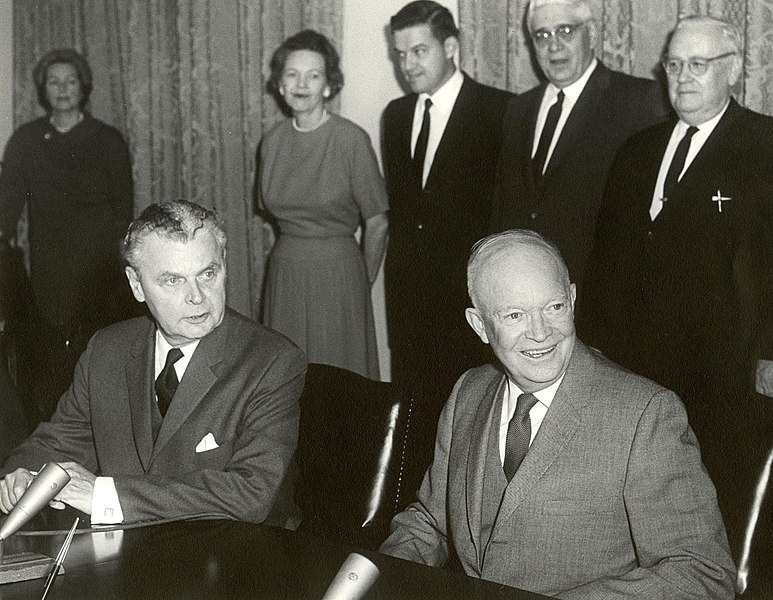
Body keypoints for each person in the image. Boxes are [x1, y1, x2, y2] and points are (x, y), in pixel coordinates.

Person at [379, 229, 736, 598]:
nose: (540, 333)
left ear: (573, 299)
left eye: (554, 307)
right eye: (515, 315)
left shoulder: (645, 413)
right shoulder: (469, 392)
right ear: (480, 325)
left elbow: (702, 572)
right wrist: (372, 579)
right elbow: (431, 522)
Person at [583, 15, 773, 556]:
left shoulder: (764, 144)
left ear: (733, 69)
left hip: (723, 368)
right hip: (636, 363)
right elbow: (607, 257)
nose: (683, 77)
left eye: (699, 64)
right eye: (673, 65)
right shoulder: (638, 148)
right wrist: (593, 344)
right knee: (638, 499)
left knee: (713, 505)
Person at [0, 201, 306, 527]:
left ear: (224, 266)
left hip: (240, 559)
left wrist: (104, 495)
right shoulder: (107, 350)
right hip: (130, 558)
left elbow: (251, 493)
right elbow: (54, 445)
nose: (197, 297)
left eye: (207, 273)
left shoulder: (272, 361)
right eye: (173, 280)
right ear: (136, 285)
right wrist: (19, 478)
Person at [382, 1, 511, 480]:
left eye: (419, 50)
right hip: (411, 300)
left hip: (467, 298)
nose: (408, 64)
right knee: (416, 423)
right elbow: (404, 211)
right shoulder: (395, 116)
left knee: (472, 420)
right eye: (400, 54)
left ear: (452, 47)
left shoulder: (501, 110)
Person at [490, 0, 668, 293]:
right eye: (542, 35)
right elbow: (504, 209)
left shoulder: (639, 101)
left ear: (592, 33)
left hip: (603, 297)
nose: (554, 46)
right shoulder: (518, 109)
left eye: (566, 31)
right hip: (526, 293)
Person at [0, 48, 135, 428]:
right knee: (48, 363)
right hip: (48, 265)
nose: (62, 89)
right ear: (43, 89)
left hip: (99, 267)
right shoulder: (26, 140)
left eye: (70, 81)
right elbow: (6, 210)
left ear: (83, 87)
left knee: (94, 355)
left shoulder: (107, 140)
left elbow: (124, 211)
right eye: (53, 82)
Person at [258, 29, 388, 380]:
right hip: (285, 275)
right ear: (280, 85)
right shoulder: (272, 142)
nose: (302, 84)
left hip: (338, 277)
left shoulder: (350, 140)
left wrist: (363, 277)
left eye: (313, 75)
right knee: (286, 386)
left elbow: (378, 221)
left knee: (339, 383)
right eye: (292, 74)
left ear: (328, 85)